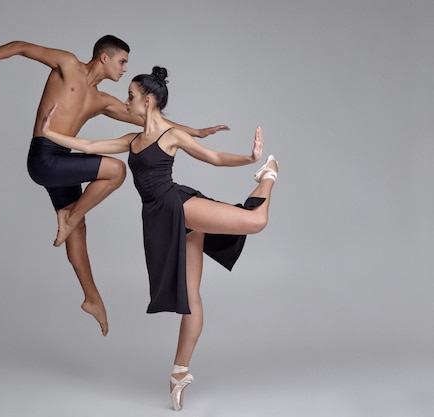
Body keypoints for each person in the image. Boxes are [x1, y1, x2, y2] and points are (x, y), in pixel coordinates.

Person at [0, 36, 229, 337]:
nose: (125, 69)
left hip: (63, 161)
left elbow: (152, 120)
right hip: (44, 157)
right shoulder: (67, 64)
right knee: (115, 170)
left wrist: (196, 132)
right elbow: (21, 47)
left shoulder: (102, 101)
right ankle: (69, 218)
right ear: (104, 57)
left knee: (78, 229)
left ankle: (92, 297)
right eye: (122, 61)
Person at [40, 66, 278, 411]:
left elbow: (211, 157)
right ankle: (180, 372)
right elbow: (90, 144)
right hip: (159, 219)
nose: (127, 101)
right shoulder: (133, 141)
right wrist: (50, 134)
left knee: (256, 221)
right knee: (191, 297)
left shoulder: (171, 134)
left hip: (177, 204)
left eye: (131, 96)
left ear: (148, 100)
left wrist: (250, 158)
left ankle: (267, 173)